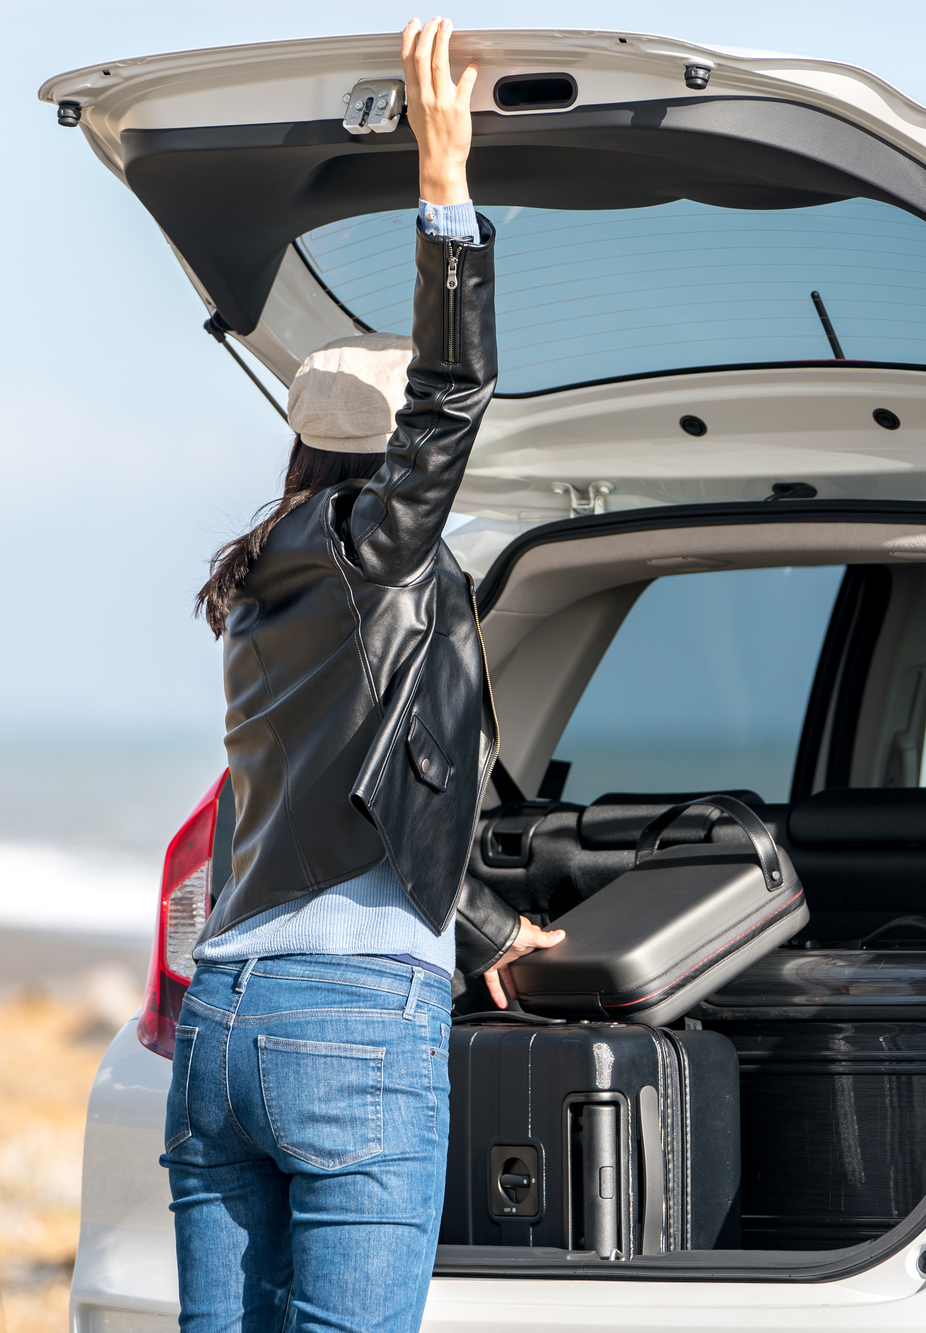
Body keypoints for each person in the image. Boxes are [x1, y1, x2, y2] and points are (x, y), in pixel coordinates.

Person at [160, 19, 563, 1333]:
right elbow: (455, 392)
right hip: (348, 1029)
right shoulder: (376, 551)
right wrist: (443, 190)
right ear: (389, 466)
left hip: (224, 1019)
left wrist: (491, 933)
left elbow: (363, 783)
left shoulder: (260, 580)